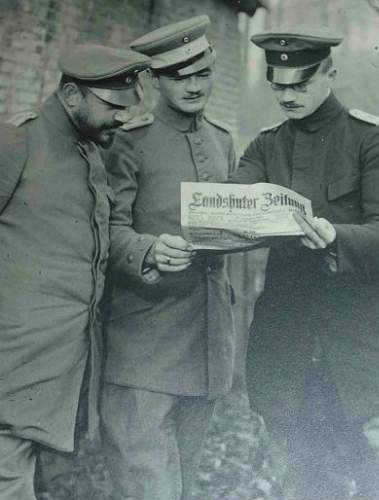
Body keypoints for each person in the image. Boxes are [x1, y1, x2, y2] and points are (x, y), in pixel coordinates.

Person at [228, 26, 379, 500]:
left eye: (300, 84)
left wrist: (335, 236)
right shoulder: (265, 146)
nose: (288, 96)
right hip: (293, 355)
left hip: (370, 352)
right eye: (278, 86)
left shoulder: (374, 141)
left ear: (330, 73)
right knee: (306, 485)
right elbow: (233, 204)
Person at [0, 44, 150, 500]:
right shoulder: (17, 141)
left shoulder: (89, 149)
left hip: (62, 361)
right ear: (70, 95)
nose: (122, 118)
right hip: (13, 358)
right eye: (112, 106)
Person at [101, 15, 238, 500]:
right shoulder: (128, 140)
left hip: (207, 342)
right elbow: (102, 230)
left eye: (202, 73)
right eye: (179, 76)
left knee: (181, 485)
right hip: (144, 341)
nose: (194, 85)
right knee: (147, 486)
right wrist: (149, 249)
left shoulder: (222, 141)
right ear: (155, 80)